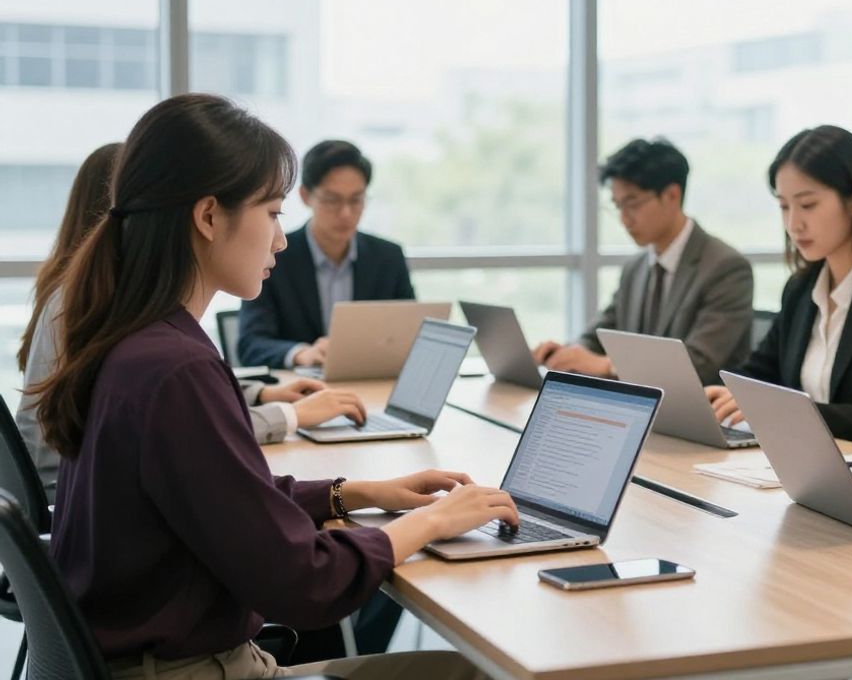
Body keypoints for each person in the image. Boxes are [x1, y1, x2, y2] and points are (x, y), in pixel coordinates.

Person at [32, 94, 517, 679]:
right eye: (272, 213)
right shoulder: (176, 368)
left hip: (136, 663)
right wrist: (432, 523)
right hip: (189, 670)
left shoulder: (134, 339)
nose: (281, 241)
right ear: (209, 216)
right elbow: (303, 581)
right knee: (466, 672)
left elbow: (230, 499)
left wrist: (358, 492)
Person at [15, 144, 367, 501]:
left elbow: (166, 404)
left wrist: (259, 394)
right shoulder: (122, 319)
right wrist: (290, 418)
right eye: (271, 213)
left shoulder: (108, 300)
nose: (278, 240)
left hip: (86, 499)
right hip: (67, 498)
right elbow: (184, 420)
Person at [704, 125, 852, 452]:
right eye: (784, 206)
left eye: (807, 204)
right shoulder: (801, 287)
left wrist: (786, 412)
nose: (793, 224)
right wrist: (723, 392)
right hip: (805, 463)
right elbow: (760, 372)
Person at [531, 138, 753, 384]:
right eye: (617, 206)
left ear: (671, 196)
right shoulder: (635, 268)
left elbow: (699, 364)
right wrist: (568, 354)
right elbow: (600, 334)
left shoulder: (726, 268)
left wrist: (606, 365)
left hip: (695, 416)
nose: (624, 220)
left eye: (632, 204)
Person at [237, 139, 415, 369]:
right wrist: (300, 353)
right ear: (305, 196)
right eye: (332, 200)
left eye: (356, 200)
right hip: (301, 390)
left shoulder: (388, 257)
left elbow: (411, 336)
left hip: (371, 384)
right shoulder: (274, 256)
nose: (346, 213)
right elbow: (251, 344)